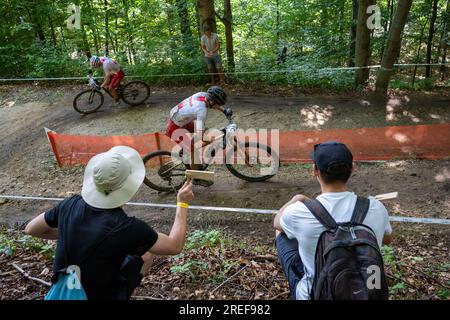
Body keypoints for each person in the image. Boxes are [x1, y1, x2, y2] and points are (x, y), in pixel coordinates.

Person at [25, 146, 194, 300]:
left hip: (63, 292)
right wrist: (182, 203)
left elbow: (31, 228)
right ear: (128, 186)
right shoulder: (126, 227)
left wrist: (72, 233)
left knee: (145, 252)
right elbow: (174, 246)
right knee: (146, 254)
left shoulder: (69, 204)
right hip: (96, 295)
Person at [273, 141, 393, 300]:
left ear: (315, 171)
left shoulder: (299, 212)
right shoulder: (375, 207)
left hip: (317, 295)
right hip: (367, 292)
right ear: (352, 169)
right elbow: (387, 239)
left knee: (281, 231)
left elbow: (276, 222)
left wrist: (298, 198)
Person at [166, 86, 232, 186]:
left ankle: (187, 150)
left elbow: (213, 104)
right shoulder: (201, 110)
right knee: (195, 152)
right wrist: (207, 140)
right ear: (211, 102)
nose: (216, 107)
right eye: (217, 105)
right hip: (175, 128)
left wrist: (224, 111)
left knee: (205, 131)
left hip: (181, 120)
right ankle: (195, 178)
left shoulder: (203, 95)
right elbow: (200, 136)